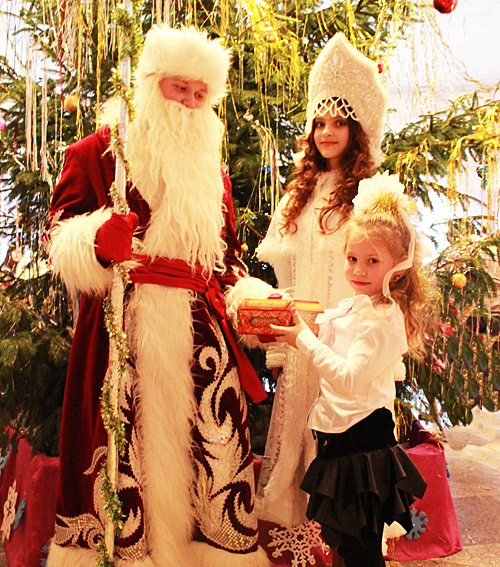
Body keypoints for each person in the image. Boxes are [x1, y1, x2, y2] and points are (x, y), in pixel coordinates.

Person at [45, 24, 269, 567]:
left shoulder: (213, 174)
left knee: (211, 463)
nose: (189, 103)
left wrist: (251, 300)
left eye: (200, 93)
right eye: (179, 88)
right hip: (120, 333)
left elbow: (228, 261)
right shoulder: (96, 153)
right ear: (150, 84)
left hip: (201, 344)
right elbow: (57, 235)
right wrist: (94, 240)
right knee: (125, 462)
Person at [228, 32, 389, 530]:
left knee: (342, 433)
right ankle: (299, 527)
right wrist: (281, 349)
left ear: (357, 129)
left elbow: (384, 270)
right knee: (298, 430)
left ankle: (345, 533)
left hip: (350, 340)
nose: (327, 132)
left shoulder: (369, 193)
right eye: (319, 122)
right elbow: (287, 277)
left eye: (339, 122)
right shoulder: (299, 192)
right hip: (304, 335)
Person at [269, 171, 434, 567]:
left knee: (360, 552)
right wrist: (304, 326)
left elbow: (347, 378)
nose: (359, 270)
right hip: (341, 442)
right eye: (352, 259)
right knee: (344, 546)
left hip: (362, 446)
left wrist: (302, 340)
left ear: (399, 266)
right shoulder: (358, 306)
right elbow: (333, 334)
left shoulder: (381, 318)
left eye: (372, 261)